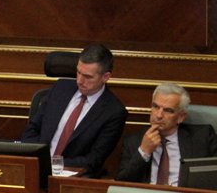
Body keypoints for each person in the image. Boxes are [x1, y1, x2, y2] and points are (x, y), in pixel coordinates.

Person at [21, 43, 127, 177]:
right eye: (78, 72)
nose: (80, 81)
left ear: (105, 77)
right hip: (36, 167)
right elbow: (32, 129)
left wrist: (54, 163)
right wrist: (36, 158)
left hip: (73, 175)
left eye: (88, 77)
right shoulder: (60, 88)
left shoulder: (113, 112)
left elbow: (93, 160)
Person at [116, 83, 217, 185]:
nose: (159, 115)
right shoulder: (134, 141)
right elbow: (122, 182)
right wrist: (144, 152)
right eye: (155, 107)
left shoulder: (202, 137)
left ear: (181, 117)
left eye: (168, 110)